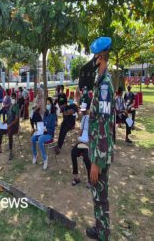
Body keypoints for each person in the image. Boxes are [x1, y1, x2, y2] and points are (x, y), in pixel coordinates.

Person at [86, 36, 115, 241]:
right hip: (98, 147)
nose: (93, 60)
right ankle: (99, 228)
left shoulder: (104, 84)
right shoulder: (100, 80)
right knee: (97, 193)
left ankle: (103, 233)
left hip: (100, 152)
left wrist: (96, 160)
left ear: (100, 57)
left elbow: (104, 124)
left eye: (95, 56)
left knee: (101, 195)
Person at [31, 97, 56, 170]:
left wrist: (46, 129)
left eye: (49, 104)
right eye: (47, 104)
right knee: (33, 138)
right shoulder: (46, 113)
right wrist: (39, 128)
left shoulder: (53, 115)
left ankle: (45, 158)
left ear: (51, 104)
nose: (47, 105)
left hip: (49, 135)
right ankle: (35, 155)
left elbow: (52, 129)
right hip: (42, 132)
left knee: (40, 139)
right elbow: (43, 123)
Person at [71, 102, 91, 188]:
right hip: (83, 142)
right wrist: (79, 138)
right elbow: (81, 131)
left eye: (85, 111)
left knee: (87, 157)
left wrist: (89, 143)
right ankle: (76, 177)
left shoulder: (94, 120)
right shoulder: (85, 118)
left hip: (90, 144)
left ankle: (90, 180)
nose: (83, 112)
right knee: (73, 152)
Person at [0, 92, 19, 160]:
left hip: (14, 126)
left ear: (15, 99)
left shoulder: (16, 106)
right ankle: (0, 148)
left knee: (10, 133)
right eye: (12, 98)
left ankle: (11, 152)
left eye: (14, 98)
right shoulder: (10, 106)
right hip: (8, 125)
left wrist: (10, 125)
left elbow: (16, 119)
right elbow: (8, 117)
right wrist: (4, 122)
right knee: (0, 130)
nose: (12, 99)